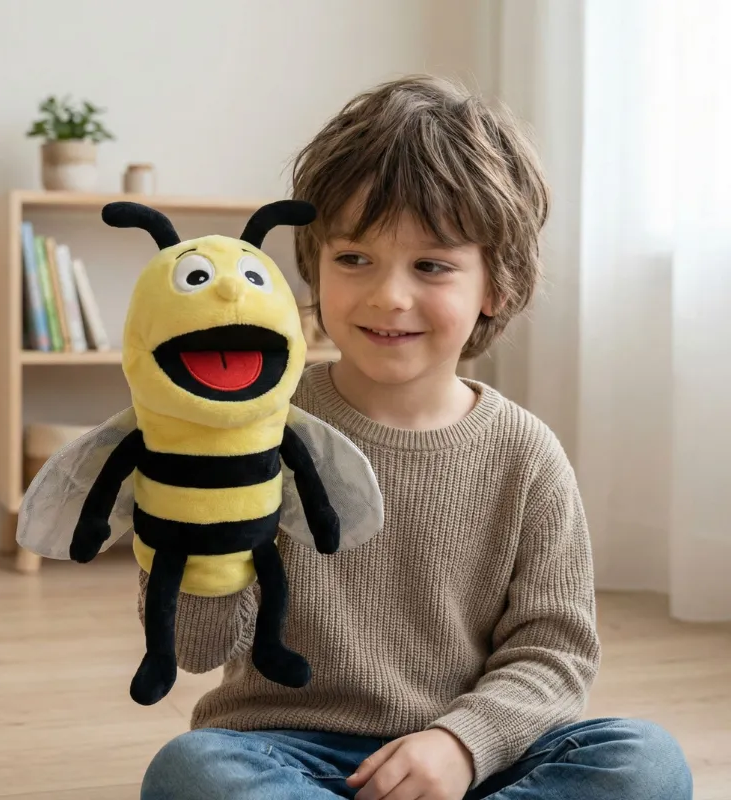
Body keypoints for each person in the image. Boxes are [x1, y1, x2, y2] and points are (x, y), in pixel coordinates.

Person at [138, 75, 692, 800]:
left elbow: (554, 653)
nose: (388, 296)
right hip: (288, 750)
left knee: (646, 763)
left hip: (471, 759)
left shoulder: (526, 455)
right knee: (191, 773)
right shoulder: (257, 427)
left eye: (431, 265)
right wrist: (199, 506)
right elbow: (196, 648)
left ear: (496, 285)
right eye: (354, 258)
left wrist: (461, 743)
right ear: (313, 266)